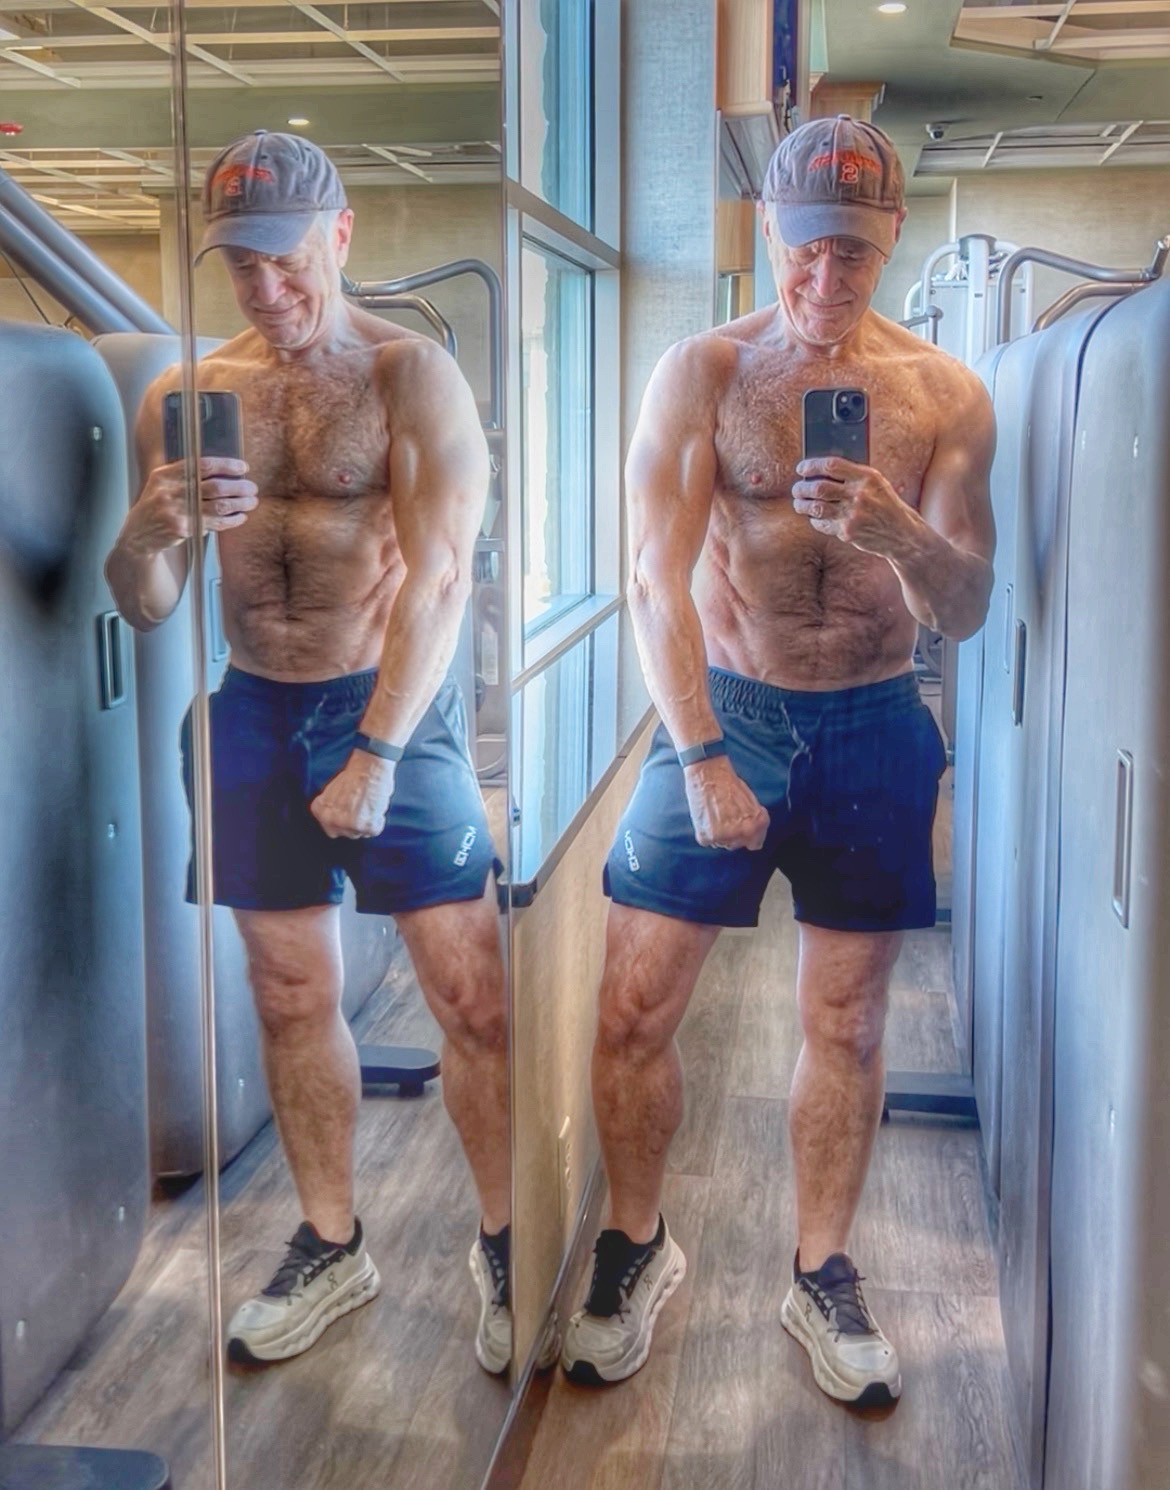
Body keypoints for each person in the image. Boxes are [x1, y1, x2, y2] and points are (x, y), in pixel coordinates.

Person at [560, 115, 996, 1405]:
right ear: (770, 230)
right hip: (726, 705)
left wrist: (900, 531)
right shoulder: (703, 370)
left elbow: (968, 605)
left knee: (848, 1020)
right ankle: (637, 1241)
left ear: (892, 238)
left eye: (852, 251)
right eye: (805, 247)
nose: (824, 277)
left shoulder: (945, 394)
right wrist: (700, 753)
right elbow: (653, 579)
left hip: (874, 714)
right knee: (634, 1006)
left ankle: (822, 1268)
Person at [105, 131, 514, 1372]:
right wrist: (148, 530)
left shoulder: (408, 375)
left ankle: (508, 1235)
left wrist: (379, 749)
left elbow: (441, 580)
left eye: (286, 259)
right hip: (252, 706)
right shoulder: (183, 395)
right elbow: (148, 603)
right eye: (243, 265)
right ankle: (332, 1241)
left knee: (471, 996)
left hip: (389, 705)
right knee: (289, 994)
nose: (267, 287)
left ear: (339, 234)